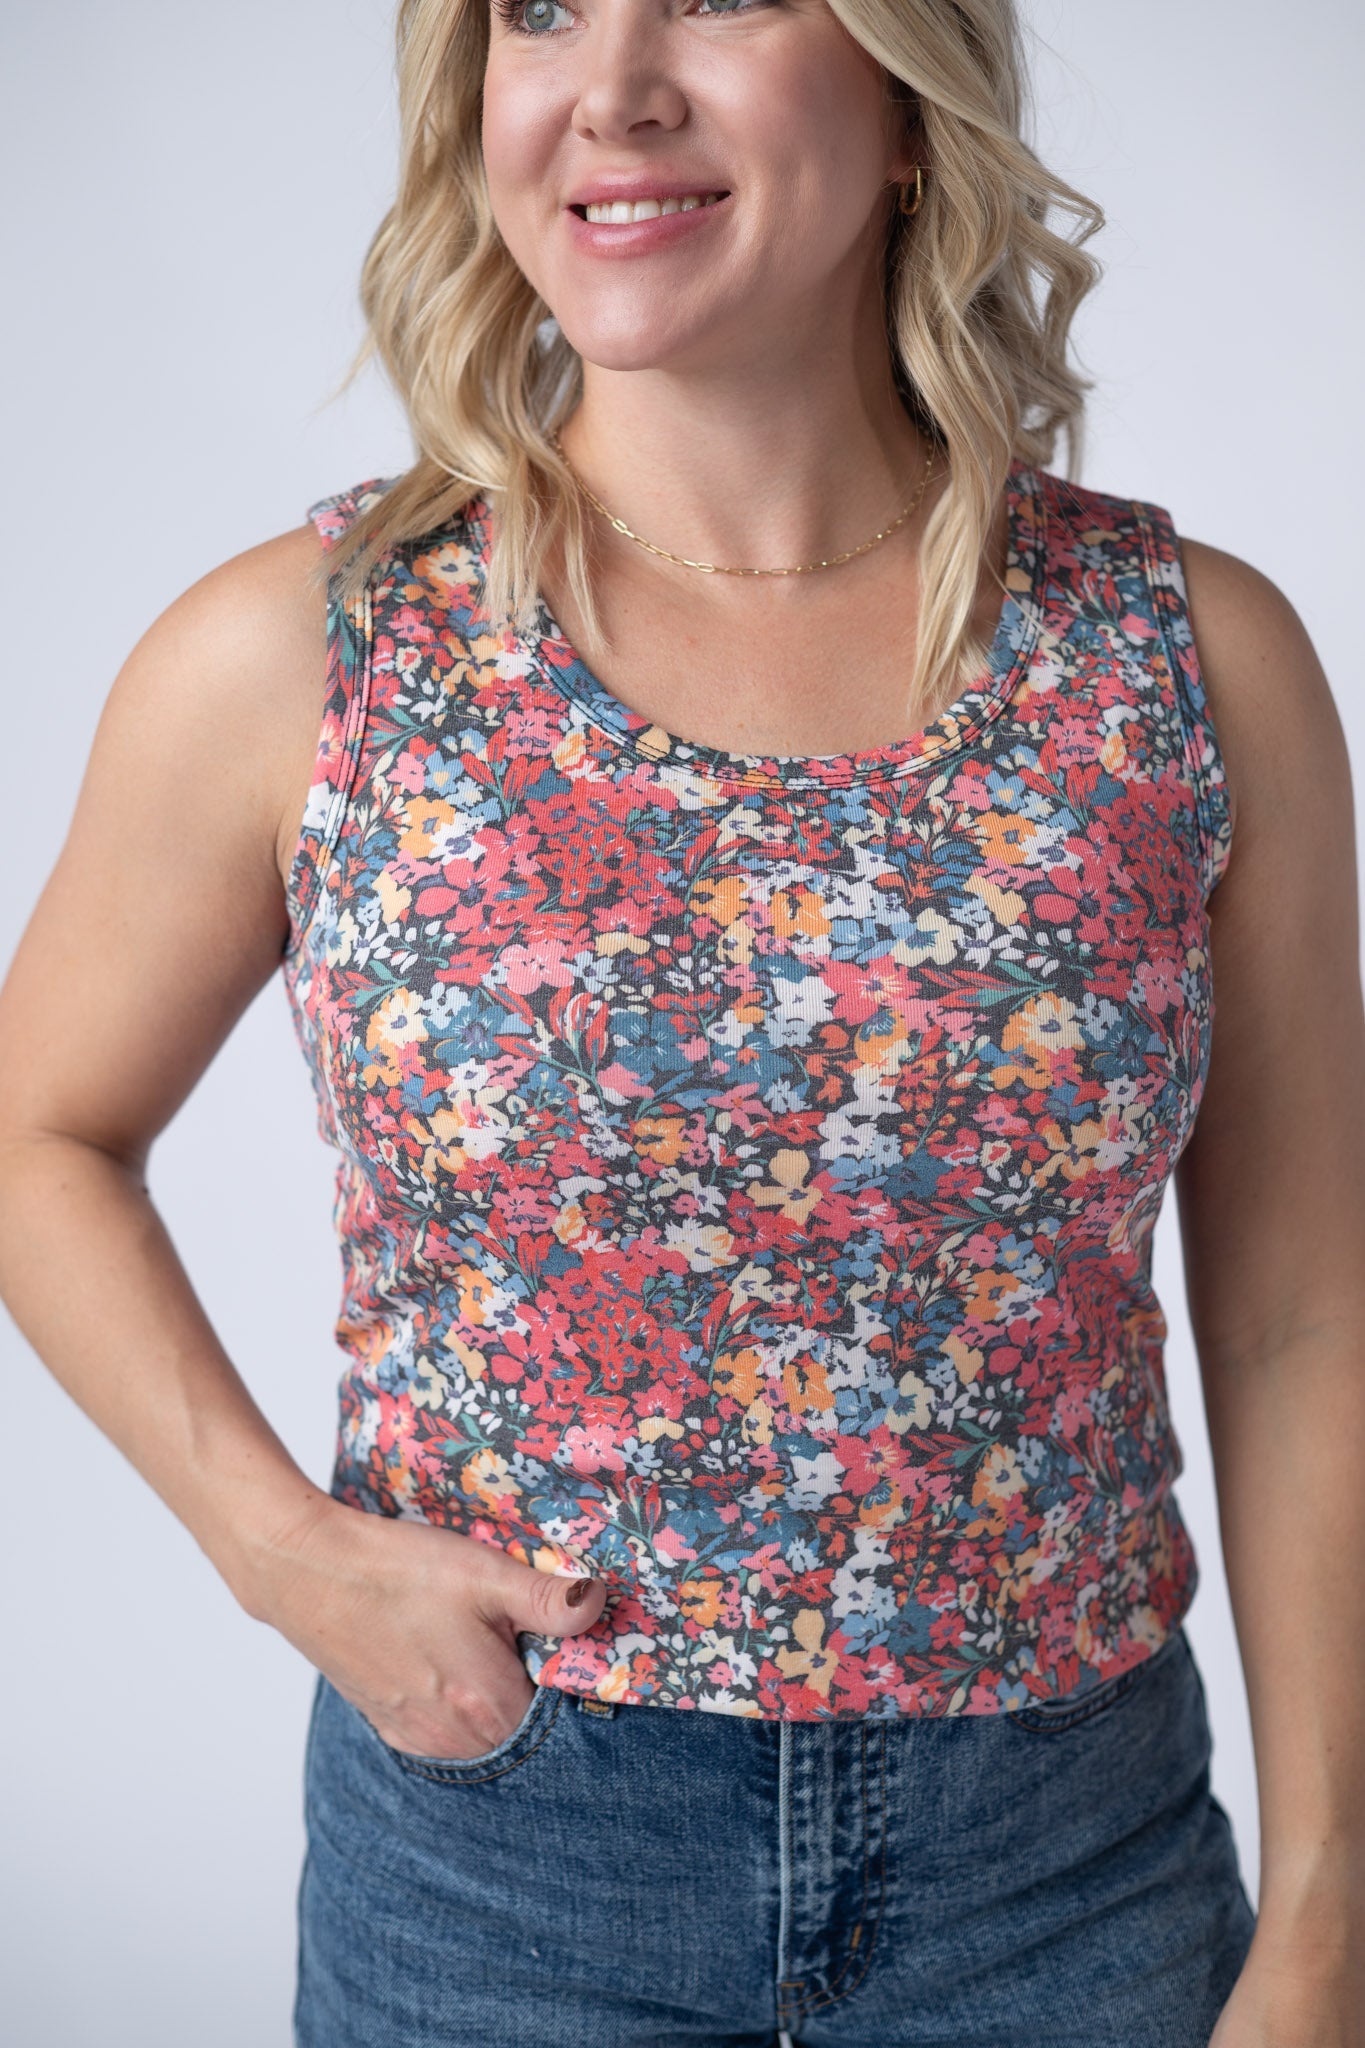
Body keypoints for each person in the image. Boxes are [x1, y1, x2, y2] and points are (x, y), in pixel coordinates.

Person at [0, 0, 1361, 2040]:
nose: (612, 86)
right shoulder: (312, 655)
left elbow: (1299, 1313)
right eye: (539, 9)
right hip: (503, 1862)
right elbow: (37, 1131)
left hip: (1068, 1875)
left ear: (907, 105)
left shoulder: (1181, 662)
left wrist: (1330, 1908)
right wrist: (278, 1550)